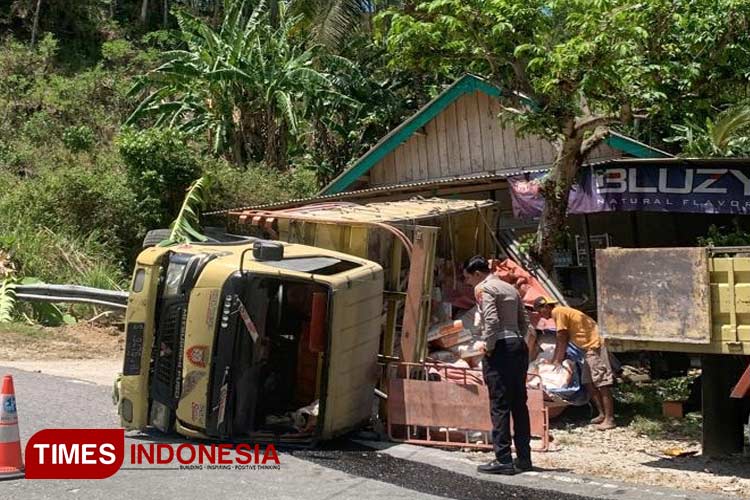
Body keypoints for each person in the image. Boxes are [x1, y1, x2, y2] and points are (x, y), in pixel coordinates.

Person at [463, 255, 531, 475]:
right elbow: (525, 322)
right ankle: (524, 457)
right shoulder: (509, 288)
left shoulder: (484, 288)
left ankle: (503, 459)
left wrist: (489, 346)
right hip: (517, 346)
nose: (468, 283)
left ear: (477, 274)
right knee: (519, 404)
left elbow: (491, 321)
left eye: (468, 279)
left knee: (499, 404)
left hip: (500, 349)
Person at [533, 296, 616, 430]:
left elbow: (562, 337)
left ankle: (610, 419)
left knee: (602, 383)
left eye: (540, 311)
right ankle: (601, 414)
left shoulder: (558, 312)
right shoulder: (562, 312)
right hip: (587, 350)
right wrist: (556, 359)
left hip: (594, 347)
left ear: (546, 306)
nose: (541, 315)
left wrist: (557, 361)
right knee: (588, 381)